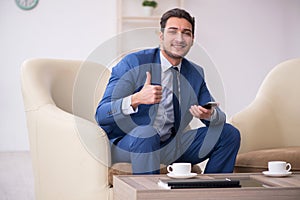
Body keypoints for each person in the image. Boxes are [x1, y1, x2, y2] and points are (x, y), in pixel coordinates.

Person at [95, 8, 240, 174]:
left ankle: (211, 192)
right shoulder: (133, 63)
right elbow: (101, 114)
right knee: (147, 134)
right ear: (161, 36)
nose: (179, 38)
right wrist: (136, 99)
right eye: (173, 31)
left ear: (192, 40)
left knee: (228, 133)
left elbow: (218, 116)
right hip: (130, 144)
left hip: (171, 145)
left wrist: (210, 115)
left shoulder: (194, 73)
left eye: (186, 33)